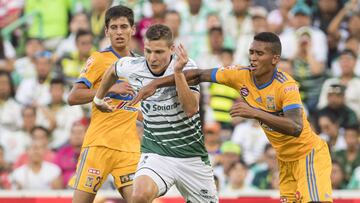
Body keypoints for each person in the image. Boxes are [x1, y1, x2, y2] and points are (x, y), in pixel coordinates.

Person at [132, 32, 333, 203]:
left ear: (275, 59)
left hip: (308, 155)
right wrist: (155, 84)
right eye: (251, 52)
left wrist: (255, 113)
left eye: (259, 53)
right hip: (286, 160)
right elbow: (197, 74)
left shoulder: (286, 86)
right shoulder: (240, 75)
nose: (253, 58)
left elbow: (295, 126)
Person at [94, 24, 218, 203]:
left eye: (159, 52)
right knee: (139, 195)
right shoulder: (133, 66)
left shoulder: (186, 66)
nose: (152, 58)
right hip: (156, 153)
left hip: (191, 156)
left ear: (172, 49)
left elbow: (191, 109)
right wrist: (98, 99)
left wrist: (178, 73)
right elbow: (113, 70)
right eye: (148, 51)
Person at [67, 5, 140, 203]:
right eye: (114, 27)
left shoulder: (141, 64)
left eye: (124, 27)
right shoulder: (99, 59)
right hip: (99, 146)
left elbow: (139, 107)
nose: (119, 32)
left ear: (132, 29)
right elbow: (73, 97)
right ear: (106, 31)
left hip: (129, 149)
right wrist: (109, 88)